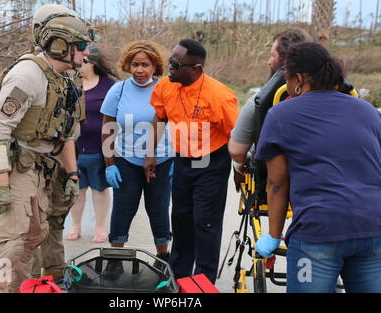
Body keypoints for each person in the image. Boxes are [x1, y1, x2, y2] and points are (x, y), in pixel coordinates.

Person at [0, 5, 92, 292]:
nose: (85, 54)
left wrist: (72, 175)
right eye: (80, 47)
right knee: (12, 241)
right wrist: (2, 184)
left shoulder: (66, 80)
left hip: (42, 165)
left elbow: (65, 134)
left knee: (35, 234)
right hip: (16, 165)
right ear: (59, 45)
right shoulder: (28, 74)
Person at [254, 42, 381, 293]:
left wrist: (274, 235)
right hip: (374, 229)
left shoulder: (281, 114)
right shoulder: (368, 111)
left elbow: (277, 184)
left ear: (299, 79)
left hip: (318, 232)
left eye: (288, 79)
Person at [144, 39, 239, 284]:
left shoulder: (219, 96)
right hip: (183, 159)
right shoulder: (166, 86)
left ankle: (203, 281)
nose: (169, 68)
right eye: (169, 62)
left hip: (211, 162)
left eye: (175, 64)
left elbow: (237, 136)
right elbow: (159, 118)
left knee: (205, 222)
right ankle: (178, 277)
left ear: (196, 69)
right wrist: (150, 154)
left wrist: (240, 168)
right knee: (182, 218)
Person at [100, 40, 173, 279]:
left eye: (145, 65)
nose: (139, 70)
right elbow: (107, 128)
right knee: (123, 209)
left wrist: (178, 160)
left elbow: (179, 124)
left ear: (155, 66)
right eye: (135, 64)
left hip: (162, 161)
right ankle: (114, 259)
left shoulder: (166, 89)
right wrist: (110, 164)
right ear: (127, 66)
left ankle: (164, 258)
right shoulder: (118, 90)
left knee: (159, 210)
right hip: (127, 160)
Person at [228, 28, 312, 191]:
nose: (268, 61)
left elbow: (237, 152)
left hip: (275, 179)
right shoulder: (342, 95)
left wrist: (240, 168)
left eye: (272, 56)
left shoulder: (260, 102)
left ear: (286, 62)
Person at [65, 44, 118, 243]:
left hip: (100, 149)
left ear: (93, 63)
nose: (79, 63)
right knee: (77, 189)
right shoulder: (71, 83)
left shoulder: (108, 85)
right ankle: (76, 225)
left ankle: (100, 227)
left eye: (83, 60)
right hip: (75, 149)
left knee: (99, 189)